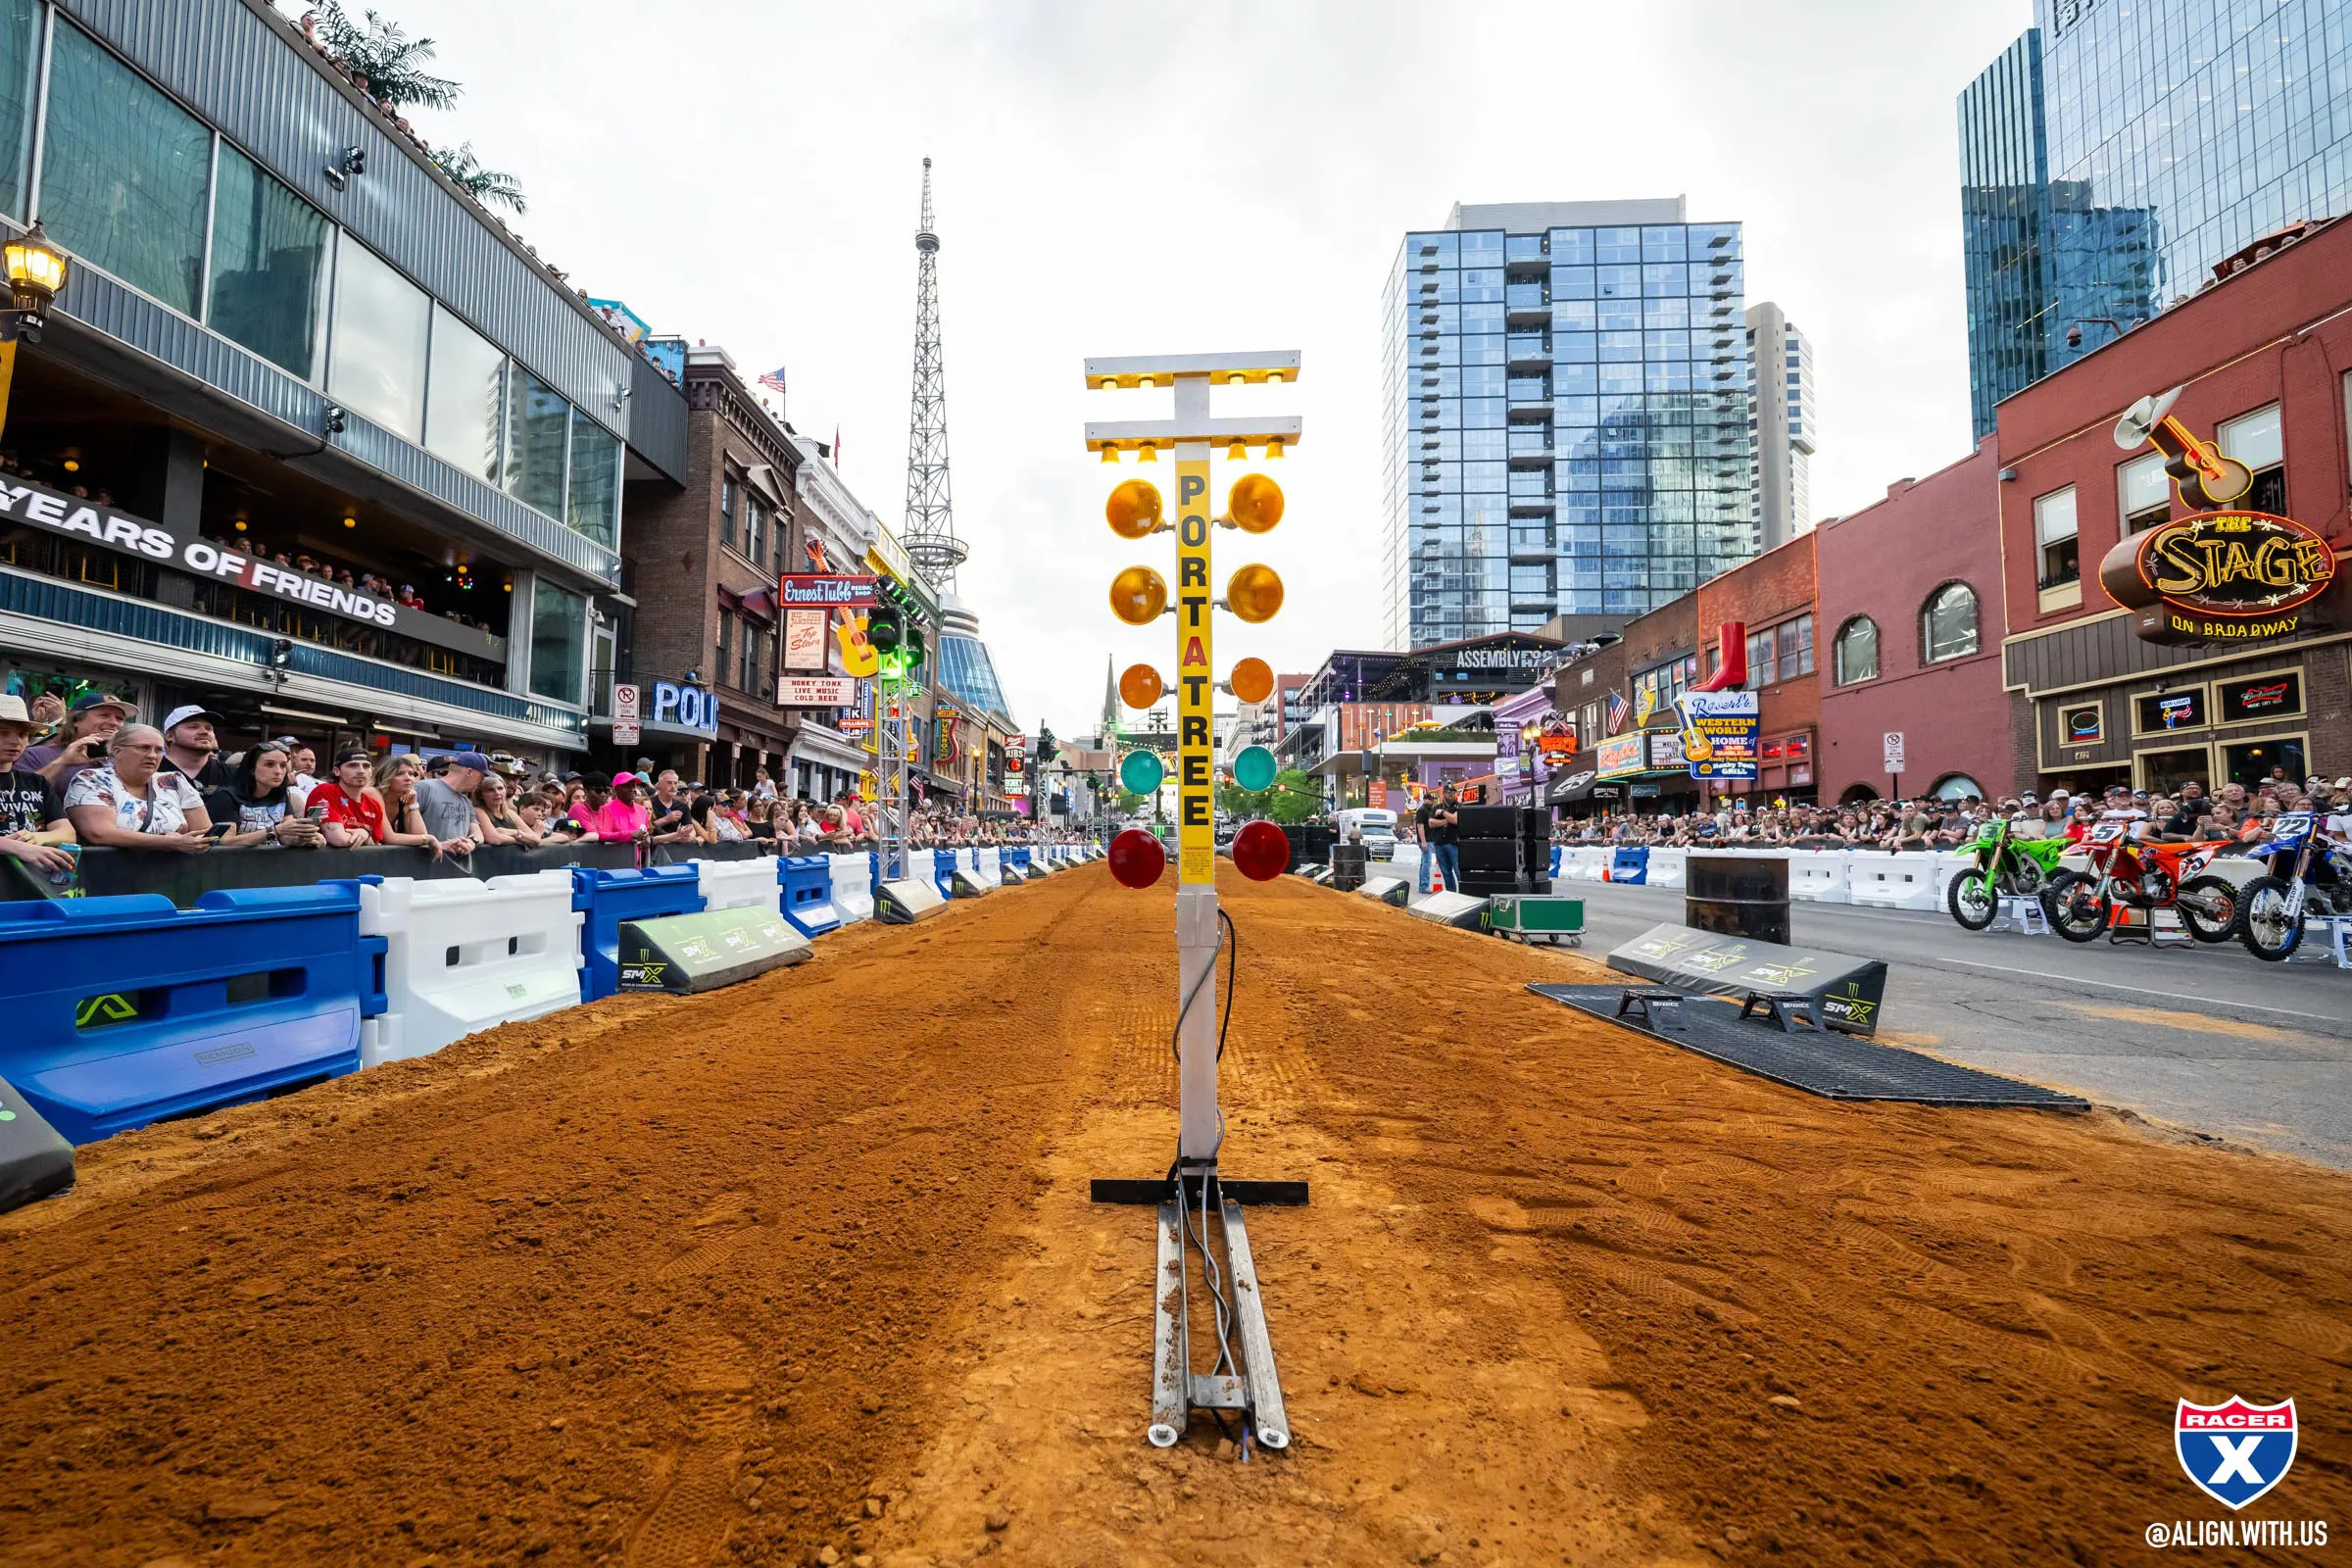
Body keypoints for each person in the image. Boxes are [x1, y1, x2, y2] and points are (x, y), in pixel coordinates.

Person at [63, 725, 213, 852]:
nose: (152, 755)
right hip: (111, 875)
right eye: (144, 748)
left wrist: (195, 842)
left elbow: (204, 832)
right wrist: (170, 843)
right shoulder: (91, 779)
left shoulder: (174, 780)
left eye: (159, 750)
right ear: (117, 751)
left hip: (174, 875)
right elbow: (100, 833)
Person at [0, 693, 77, 880]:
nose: (15, 741)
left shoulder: (37, 782)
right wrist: (18, 847)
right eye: (3, 733)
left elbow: (67, 833)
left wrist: (36, 838)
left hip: (29, 889)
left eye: (23, 734)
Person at [205, 742, 323, 849]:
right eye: (269, 765)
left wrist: (302, 839)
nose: (278, 771)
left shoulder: (281, 794)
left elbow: (286, 837)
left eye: (283, 765)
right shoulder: (226, 796)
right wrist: (274, 831)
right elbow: (225, 841)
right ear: (251, 769)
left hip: (274, 865)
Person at [24, 692, 135, 787]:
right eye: (104, 715)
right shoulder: (36, 755)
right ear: (76, 720)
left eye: (119, 718)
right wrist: (62, 763)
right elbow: (18, 794)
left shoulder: (126, 761)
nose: (114, 723)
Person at [309, 748, 392, 846]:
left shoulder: (374, 805)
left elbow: (375, 846)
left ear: (372, 772)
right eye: (352, 765)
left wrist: (365, 833)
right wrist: (363, 835)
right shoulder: (324, 791)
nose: (361, 771)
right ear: (337, 771)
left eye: (366, 766)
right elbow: (339, 840)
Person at [412, 751, 488, 857]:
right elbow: (404, 827)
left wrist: (471, 842)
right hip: (424, 864)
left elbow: (477, 832)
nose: (481, 782)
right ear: (469, 772)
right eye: (481, 777)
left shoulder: (466, 801)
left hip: (456, 867)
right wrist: (436, 844)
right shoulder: (424, 788)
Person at [368, 754, 438, 850]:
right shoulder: (373, 793)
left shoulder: (405, 799)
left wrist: (413, 805)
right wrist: (429, 838)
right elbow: (389, 838)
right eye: (399, 774)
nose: (408, 778)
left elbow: (420, 835)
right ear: (385, 776)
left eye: (411, 773)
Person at [158, 705, 234, 792]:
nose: (204, 732)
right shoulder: (151, 773)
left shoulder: (234, 775)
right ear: (170, 736)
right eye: (193, 727)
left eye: (209, 728)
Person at [470, 770, 541, 847]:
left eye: (500, 788)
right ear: (481, 795)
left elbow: (536, 839)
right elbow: (495, 839)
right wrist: (523, 840)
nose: (497, 793)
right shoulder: (478, 811)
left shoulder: (510, 813)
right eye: (491, 790)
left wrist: (510, 832)